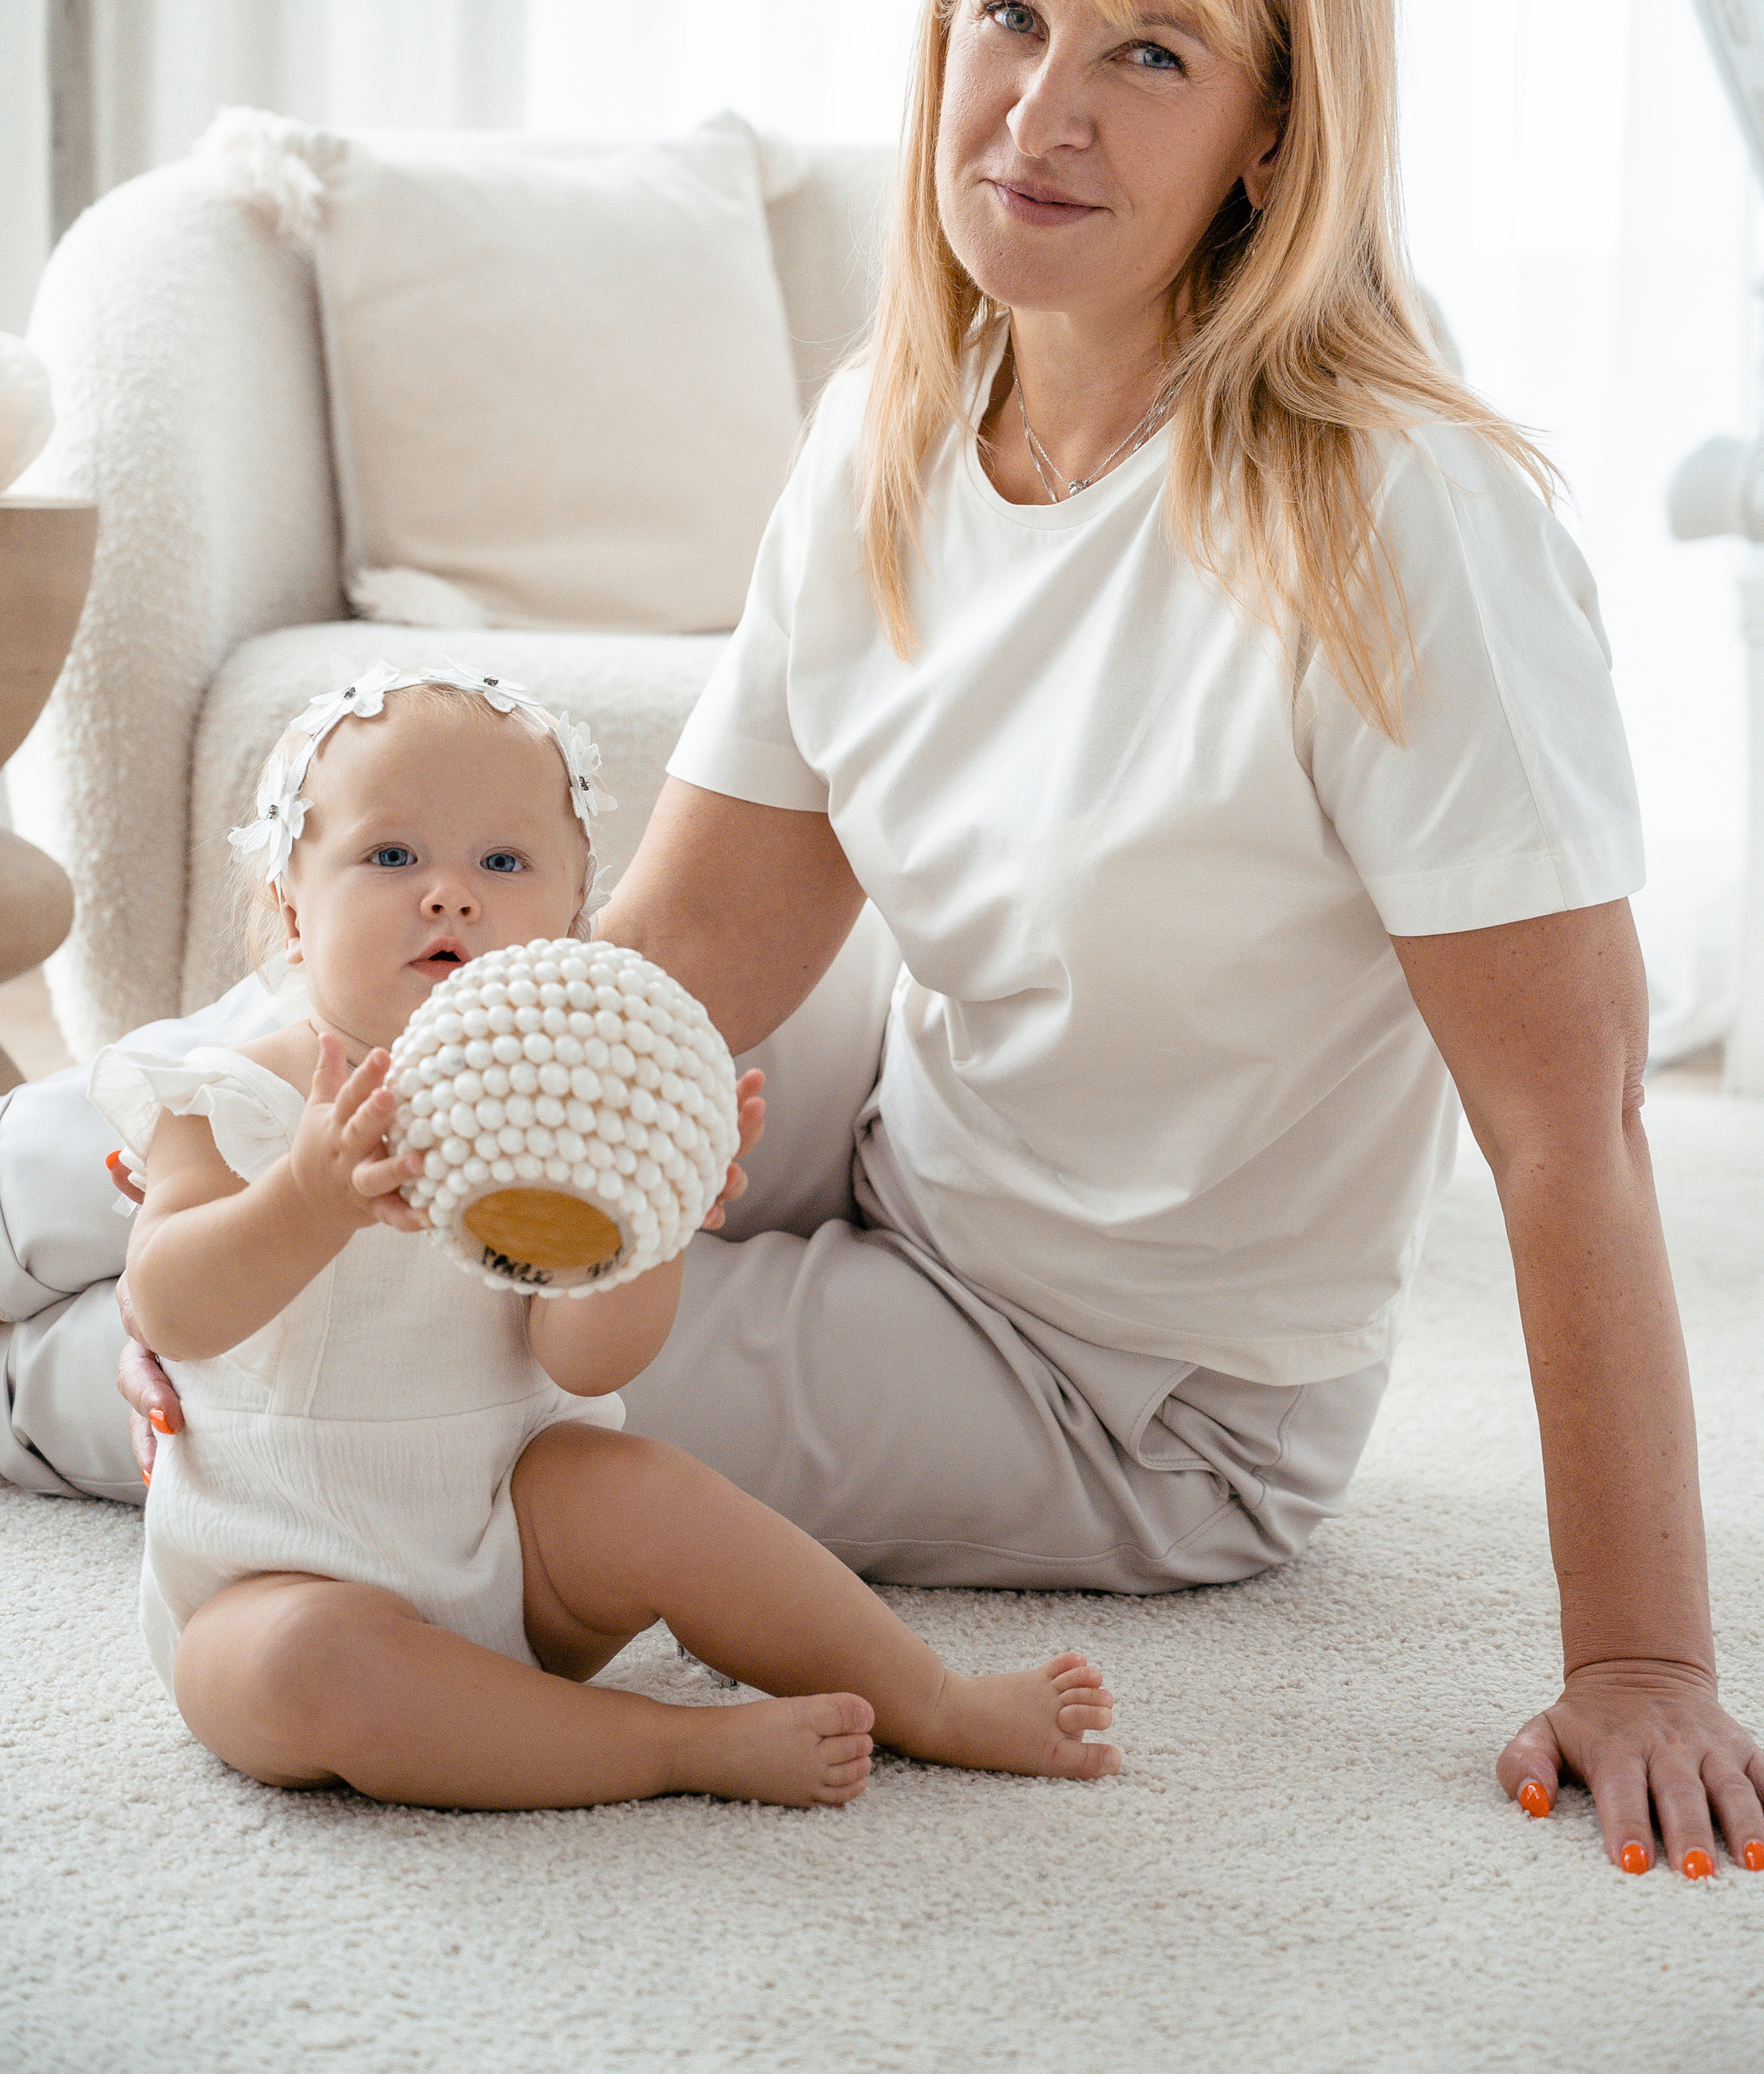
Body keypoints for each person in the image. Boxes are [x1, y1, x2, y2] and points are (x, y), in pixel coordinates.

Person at [91, 0, 1764, 1877]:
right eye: (1010, 14)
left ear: (1275, 130)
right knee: (206, 1113)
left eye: (1149, 53)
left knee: (396, 1403)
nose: (1043, 108)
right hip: (902, 1119)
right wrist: (344, 1133)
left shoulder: (1400, 523)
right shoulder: (898, 420)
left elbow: (1575, 1119)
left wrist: (1645, 1662)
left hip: (1124, 1382)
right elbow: (686, 965)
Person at [95, 664, 1118, 1809]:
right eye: (392, 857)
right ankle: (669, 1747)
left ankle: (929, 1699)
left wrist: (657, 1217)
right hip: (276, 1579)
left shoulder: (569, 1103)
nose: (450, 897)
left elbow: (589, 1361)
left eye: (503, 862)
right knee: (308, 1670)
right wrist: (308, 1199)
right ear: (292, 904)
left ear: (574, 921)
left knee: (642, 1488)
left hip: (514, 1548)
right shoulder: (226, 1092)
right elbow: (170, 1305)